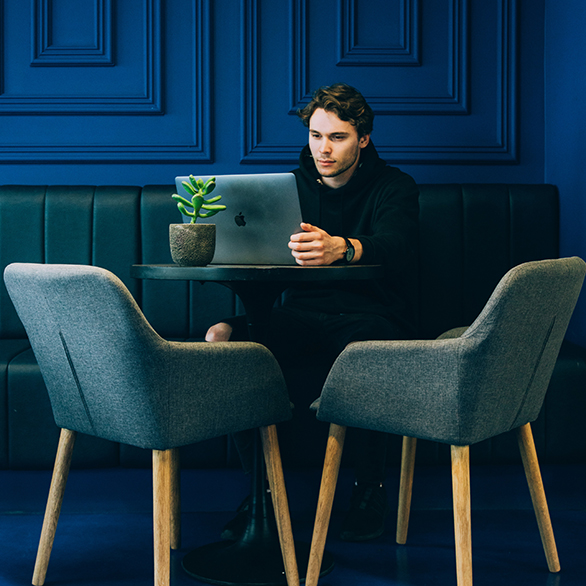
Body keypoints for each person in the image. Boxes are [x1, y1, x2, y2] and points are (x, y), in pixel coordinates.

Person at [206, 83, 419, 542]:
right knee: (223, 339)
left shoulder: (394, 186)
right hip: (300, 314)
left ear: (362, 139)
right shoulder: (288, 188)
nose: (323, 148)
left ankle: (369, 489)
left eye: (337, 137)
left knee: (371, 350)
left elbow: (398, 247)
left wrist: (342, 248)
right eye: (316, 135)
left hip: (370, 315)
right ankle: (262, 490)